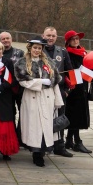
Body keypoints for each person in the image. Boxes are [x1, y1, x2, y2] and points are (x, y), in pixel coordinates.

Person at [16, 36, 64, 167]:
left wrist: (57, 100)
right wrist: (40, 82)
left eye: (39, 48)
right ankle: (36, 153)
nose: (37, 50)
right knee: (34, 126)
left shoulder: (49, 63)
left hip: (47, 97)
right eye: (35, 48)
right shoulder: (22, 63)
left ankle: (42, 151)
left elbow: (56, 82)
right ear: (30, 48)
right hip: (32, 97)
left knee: (45, 126)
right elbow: (23, 81)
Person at [42, 26, 74, 158]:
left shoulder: (63, 51)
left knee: (59, 118)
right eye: (48, 35)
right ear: (43, 35)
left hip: (59, 91)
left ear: (56, 37)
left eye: (53, 36)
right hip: (42, 91)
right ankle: (44, 146)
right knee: (44, 119)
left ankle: (59, 146)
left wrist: (67, 90)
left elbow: (70, 72)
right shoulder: (38, 49)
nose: (50, 38)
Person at [63, 30, 92, 153]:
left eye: (77, 39)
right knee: (75, 115)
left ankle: (69, 140)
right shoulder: (68, 54)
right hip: (74, 88)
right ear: (68, 41)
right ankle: (77, 141)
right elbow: (71, 72)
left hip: (83, 87)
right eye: (73, 39)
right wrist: (88, 73)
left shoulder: (83, 52)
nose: (76, 41)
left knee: (78, 114)